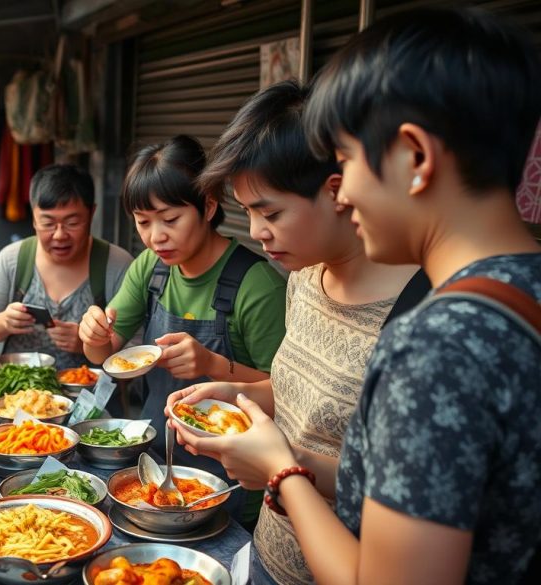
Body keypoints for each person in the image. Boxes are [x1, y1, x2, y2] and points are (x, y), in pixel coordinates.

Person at [171, 7, 541, 584]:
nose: (344, 194)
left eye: (345, 160)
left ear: (414, 158)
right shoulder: (518, 293)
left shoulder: (436, 342)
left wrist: (283, 473)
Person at [169, 80, 425, 585]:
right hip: (269, 552)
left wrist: (283, 470)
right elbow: (298, 397)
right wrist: (238, 395)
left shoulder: (419, 317)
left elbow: (399, 496)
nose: (258, 232)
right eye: (248, 213)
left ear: (339, 190)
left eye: (271, 212)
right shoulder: (304, 279)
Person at [79, 135, 287, 525]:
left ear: (208, 206)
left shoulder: (257, 285)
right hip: (153, 466)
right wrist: (93, 336)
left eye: (170, 219)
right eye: (143, 222)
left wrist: (211, 363)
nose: (156, 236)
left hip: (232, 481)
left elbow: (286, 394)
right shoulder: (151, 269)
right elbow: (105, 356)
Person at [0, 164, 133, 369]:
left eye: (72, 222)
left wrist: (90, 343)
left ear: (92, 213)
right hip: (16, 395)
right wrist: (4, 323)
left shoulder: (117, 264)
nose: (59, 235)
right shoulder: (13, 259)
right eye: (48, 223)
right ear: (34, 218)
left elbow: (136, 348)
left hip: (90, 397)